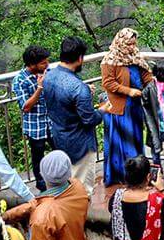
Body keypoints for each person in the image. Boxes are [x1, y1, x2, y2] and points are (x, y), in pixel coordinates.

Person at [42, 36, 103, 188]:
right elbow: (89, 119)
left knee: (64, 187)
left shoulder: (48, 77)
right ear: (80, 58)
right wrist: (102, 111)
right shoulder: (78, 88)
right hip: (80, 145)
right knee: (83, 190)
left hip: (59, 138)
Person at [101, 28, 154, 187]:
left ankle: (140, 173)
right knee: (123, 142)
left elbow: (144, 73)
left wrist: (153, 82)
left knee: (135, 138)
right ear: (121, 42)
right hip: (120, 107)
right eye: (129, 43)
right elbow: (108, 83)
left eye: (134, 43)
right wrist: (128, 91)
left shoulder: (135, 55)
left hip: (135, 105)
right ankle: (125, 176)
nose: (132, 46)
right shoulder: (110, 60)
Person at [11, 46, 53, 192]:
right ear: (32, 64)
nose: (47, 64)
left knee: (60, 150)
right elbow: (26, 106)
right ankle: (42, 186)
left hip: (52, 121)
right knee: (38, 156)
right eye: (43, 63)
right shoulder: (20, 80)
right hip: (35, 125)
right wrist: (39, 87)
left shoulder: (48, 72)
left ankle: (62, 180)